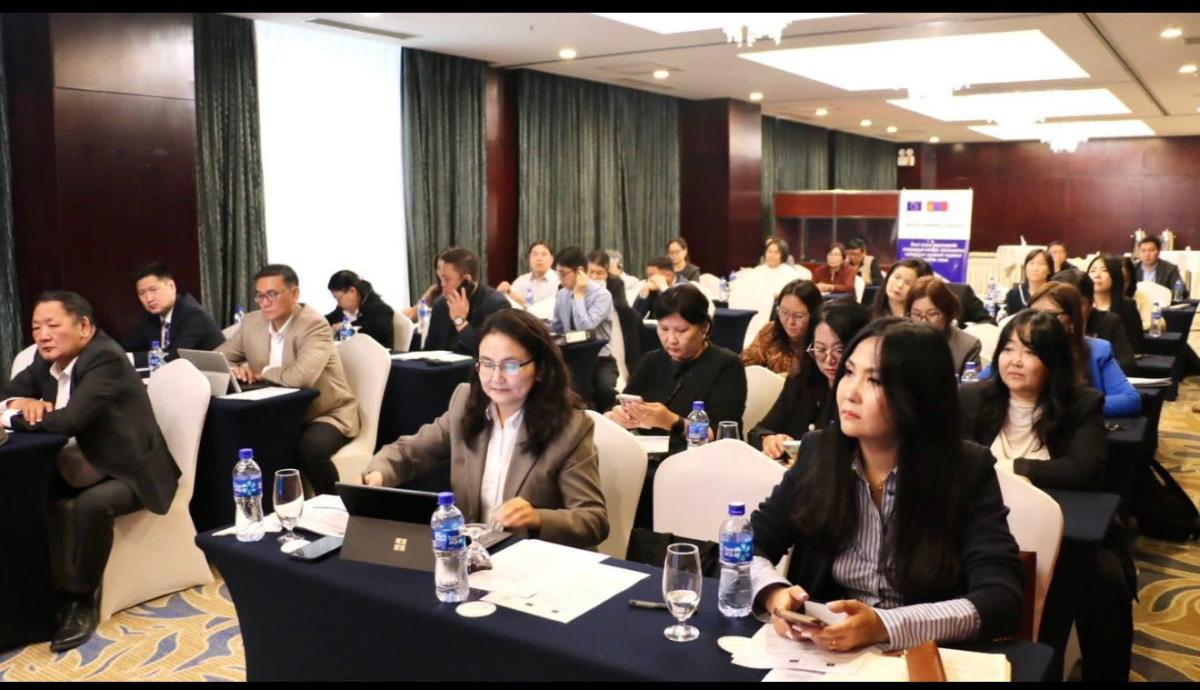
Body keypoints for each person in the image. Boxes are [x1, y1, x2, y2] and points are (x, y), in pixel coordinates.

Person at [749, 318, 1023, 653]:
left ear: (920, 395)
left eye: (875, 380)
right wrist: (774, 593)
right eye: (849, 372)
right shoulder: (819, 452)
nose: (850, 392)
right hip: (824, 651)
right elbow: (748, 545)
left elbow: (1000, 599)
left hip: (922, 653)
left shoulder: (966, 469)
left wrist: (885, 625)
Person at [959, 310, 1134, 682]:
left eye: (1029, 352)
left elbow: (1084, 469)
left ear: (1053, 361)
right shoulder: (973, 398)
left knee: (1104, 577)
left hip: (1066, 528)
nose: (1015, 361)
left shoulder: (1081, 404)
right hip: (982, 528)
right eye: (1008, 349)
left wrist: (1014, 467)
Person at [1, 291, 180, 652]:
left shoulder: (105, 358)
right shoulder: (45, 359)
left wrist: (12, 417)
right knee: (21, 487)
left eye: (52, 325)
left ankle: (80, 600)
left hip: (130, 469)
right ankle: (29, 588)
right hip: (84, 462)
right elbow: (7, 391)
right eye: (36, 327)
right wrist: (21, 402)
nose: (42, 335)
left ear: (83, 326)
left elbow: (69, 420)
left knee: (92, 505)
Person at [364, 309, 609, 549]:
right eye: (487, 364)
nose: (496, 378)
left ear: (540, 369)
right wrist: (378, 474)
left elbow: (593, 519)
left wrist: (538, 518)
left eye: (511, 365)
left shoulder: (570, 428)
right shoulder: (465, 403)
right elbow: (410, 452)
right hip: (476, 554)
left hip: (537, 559)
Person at [217, 264, 360, 495]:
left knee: (311, 448)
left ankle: (334, 506)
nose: (264, 303)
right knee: (239, 441)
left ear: (294, 294)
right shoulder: (252, 323)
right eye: (259, 296)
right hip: (277, 414)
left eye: (272, 295)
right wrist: (234, 369)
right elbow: (218, 358)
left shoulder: (314, 325)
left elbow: (301, 377)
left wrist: (262, 372)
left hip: (325, 413)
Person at [606, 284, 747, 453]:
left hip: (699, 459)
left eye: (681, 330)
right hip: (646, 454)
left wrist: (672, 421)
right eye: (664, 329)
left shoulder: (727, 365)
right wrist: (617, 416)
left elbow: (722, 434)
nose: (671, 339)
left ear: (704, 327)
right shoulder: (652, 360)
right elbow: (619, 405)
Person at [980, 281, 1141, 417]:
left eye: (1050, 315)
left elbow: (1130, 400)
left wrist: (1069, 406)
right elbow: (978, 386)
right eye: (1032, 313)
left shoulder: (1097, 350)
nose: (1038, 322)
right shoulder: (1016, 350)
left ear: (1072, 321)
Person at [749, 298, 871, 459]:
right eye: (820, 349)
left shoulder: (867, 395)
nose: (829, 360)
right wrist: (769, 440)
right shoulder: (801, 380)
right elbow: (758, 431)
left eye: (840, 350)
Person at [120, 261, 224, 366]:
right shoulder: (151, 317)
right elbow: (127, 345)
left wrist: (130, 358)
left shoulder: (193, 315)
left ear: (171, 286)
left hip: (208, 374)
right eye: (142, 293)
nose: (148, 299)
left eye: (153, 290)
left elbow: (174, 356)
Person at [551, 246, 617, 411]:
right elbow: (557, 327)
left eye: (563, 273)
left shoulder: (602, 295)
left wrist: (578, 295)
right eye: (558, 273)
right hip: (571, 357)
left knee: (604, 390)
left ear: (579, 271)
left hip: (599, 358)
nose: (560, 279)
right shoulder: (562, 294)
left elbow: (586, 330)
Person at [423, 248, 511, 355]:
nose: (442, 284)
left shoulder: (496, 305)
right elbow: (429, 349)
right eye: (440, 278)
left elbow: (489, 352)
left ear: (467, 280)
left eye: (446, 279)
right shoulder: (441, 304)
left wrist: (460, 321)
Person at [1058, 268, 1138, 376]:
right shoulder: (1046, 323)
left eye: (1078, 304)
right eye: (1063, 305)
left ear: (1091, 303)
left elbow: (1127, 366)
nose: (1071, 311)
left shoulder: (1109, 322)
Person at [741, 279, 822, 375]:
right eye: (784, 313)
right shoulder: (771, 331)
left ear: (815, 314)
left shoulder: (825, 338)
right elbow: (743, 367)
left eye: (799, 316)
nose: (790, 322)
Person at [905, 277, 982, 378]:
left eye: (932, 314)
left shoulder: (967, 346)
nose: (923, 321)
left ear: (947, 313)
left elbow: (970, 386)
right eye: (916, 314)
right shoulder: (899, 341)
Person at [325, 270, 395, 349]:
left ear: (352, 291)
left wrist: (347, 329)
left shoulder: (381, 311)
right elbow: (325, 321)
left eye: (338, 299)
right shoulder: (343, 309)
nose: (338, 303)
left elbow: (378, 341)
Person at [498, 241, 559, 307]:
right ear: (529, 259)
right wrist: (502, 292)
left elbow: (552, 308)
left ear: (551, 259)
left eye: (544, 255)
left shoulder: (558, 280)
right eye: (535, 255)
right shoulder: (521, 280)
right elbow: (509, 299)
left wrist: (524, 303)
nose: (539, 258)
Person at [632, 255, 685, 319]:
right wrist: (643, 294)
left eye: (652, 275)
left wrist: (664, 288)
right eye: (648, 275)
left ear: (668, 275)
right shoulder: (652, 289)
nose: (649, 279)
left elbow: (679, 315)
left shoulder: (685, 287)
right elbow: (633, 318)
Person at [1004, 249, 1053, 316]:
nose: (1035, 268)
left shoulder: (1056, 293)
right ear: (1025, 268)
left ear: (1049, 269)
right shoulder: (1014, 294)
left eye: (1041, 264)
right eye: (1031, 263)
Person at [402, 254, 445, 323]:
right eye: (438, 268)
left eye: (445, 267)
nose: (441, 272)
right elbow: (414, 314)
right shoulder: (435, 290)